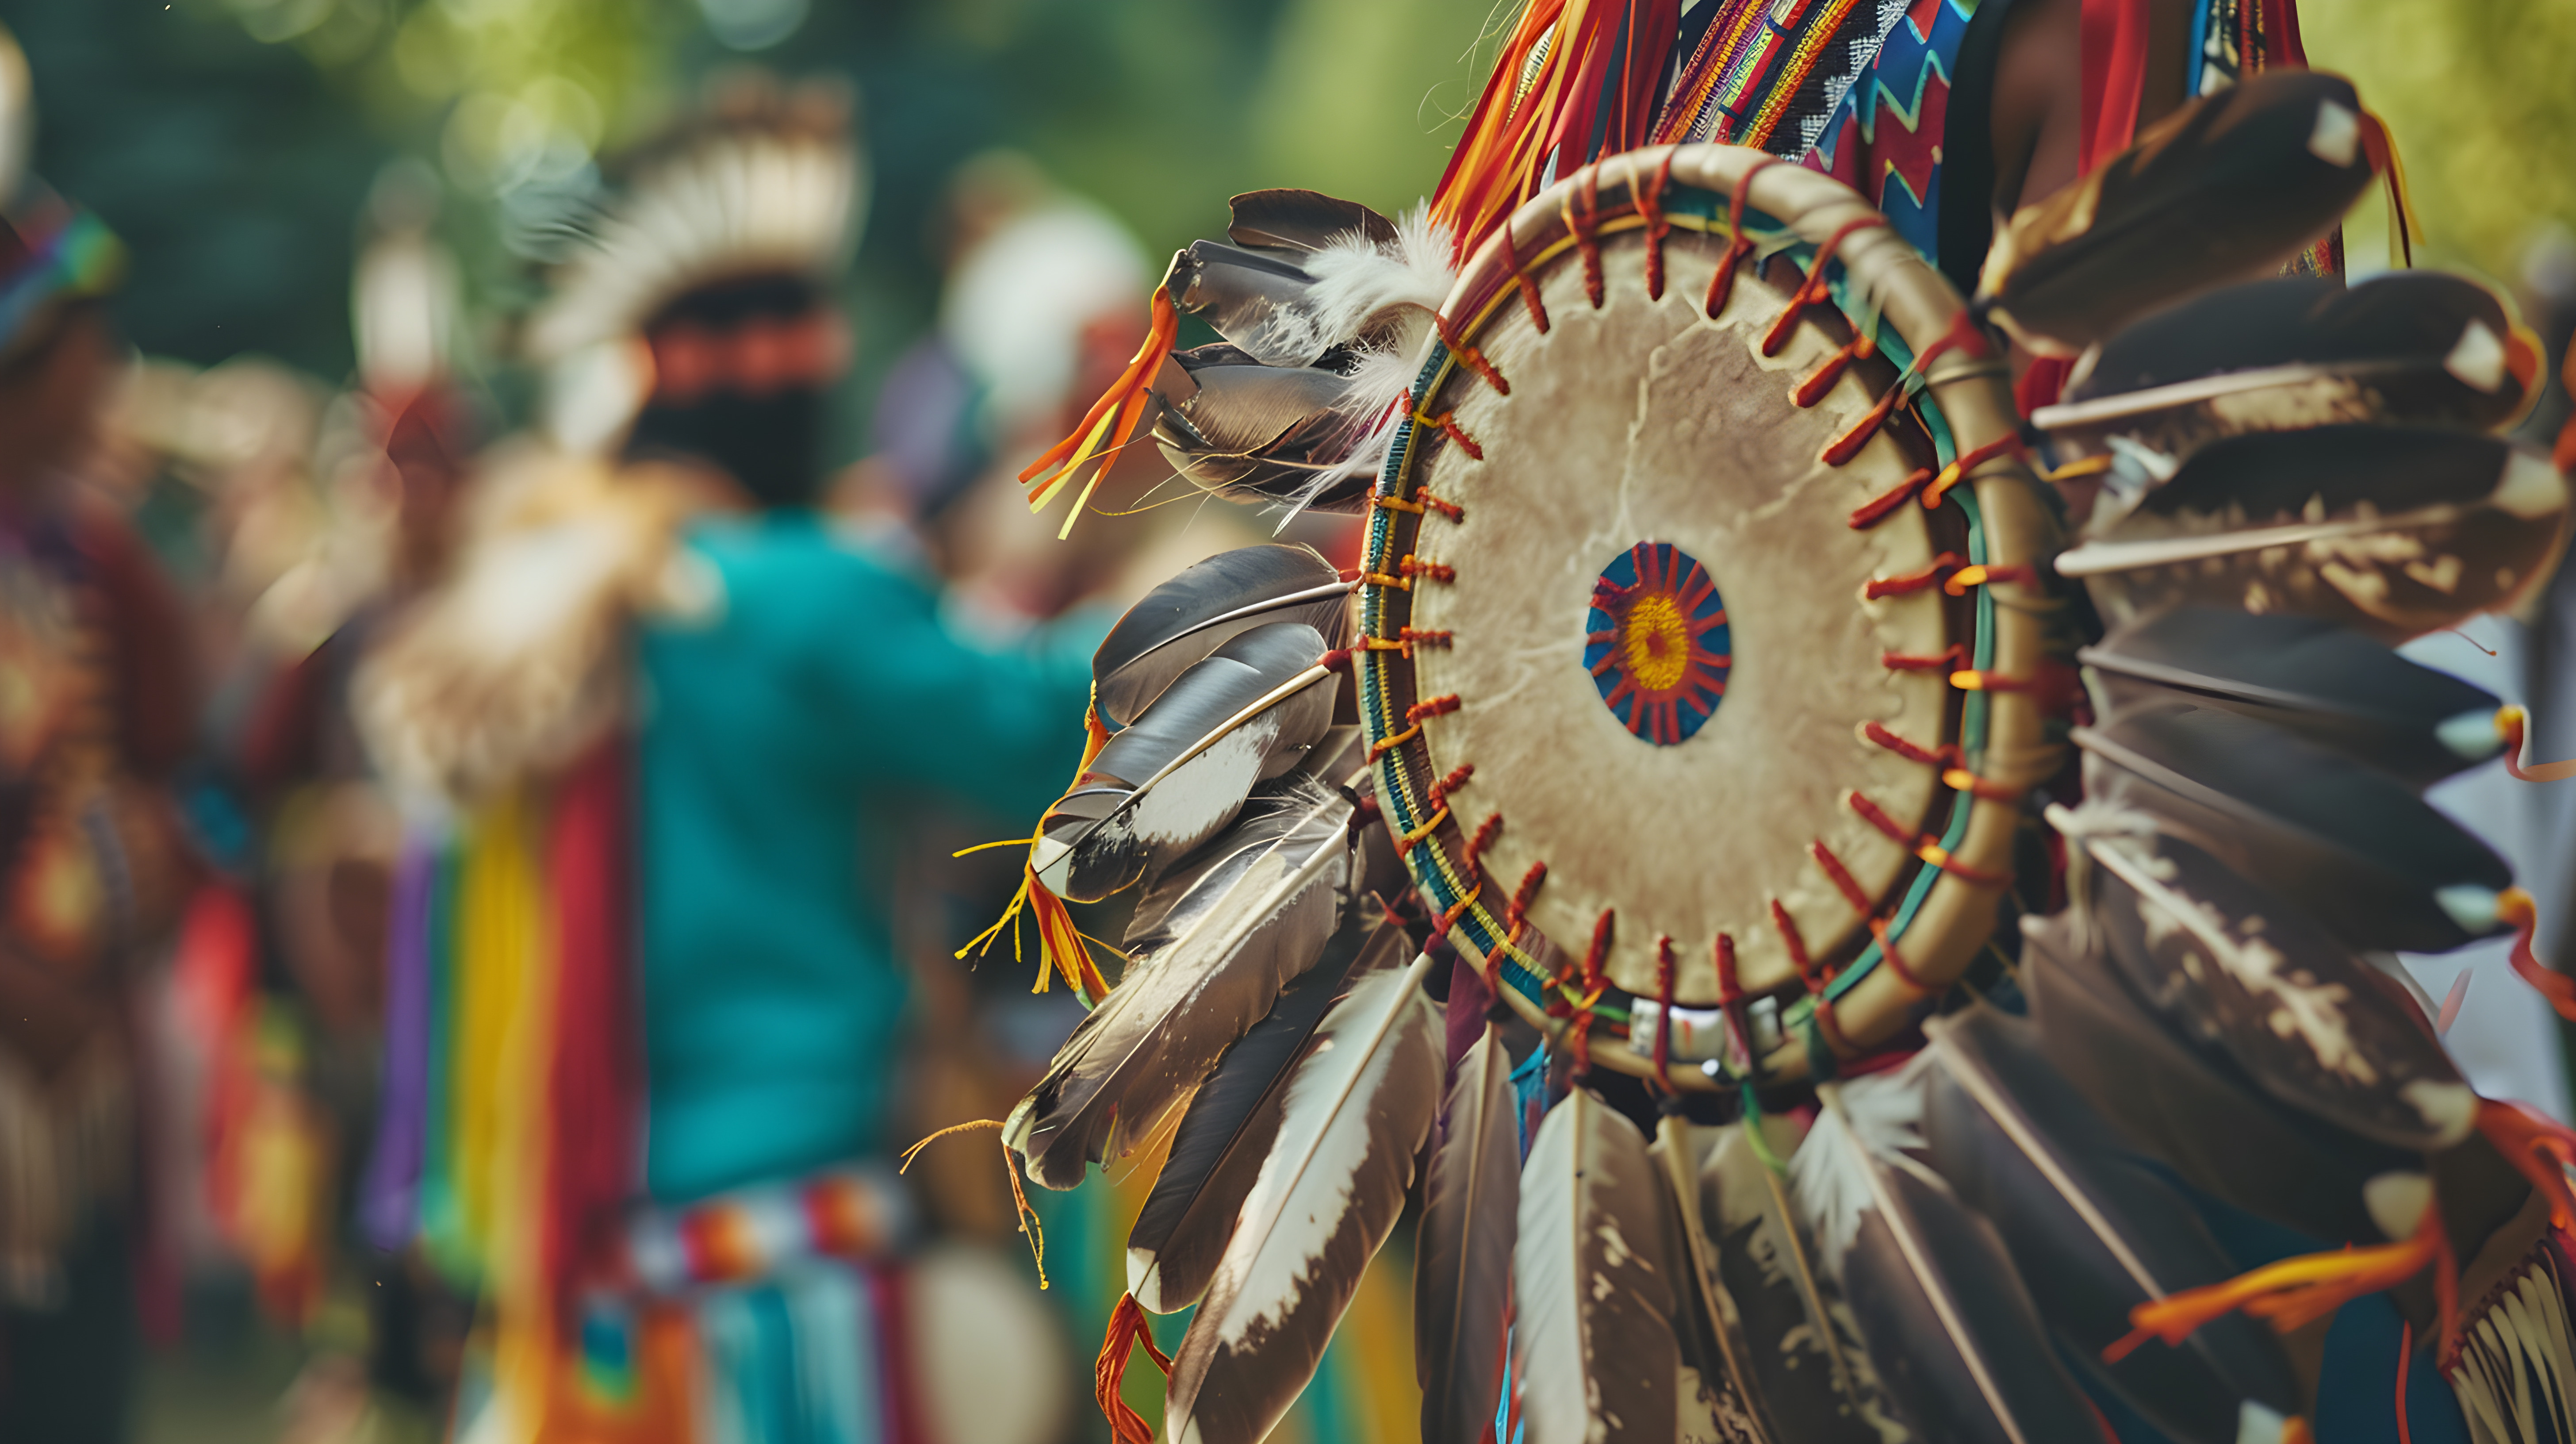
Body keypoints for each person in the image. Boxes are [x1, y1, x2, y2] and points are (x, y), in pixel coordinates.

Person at [353, 75, 1085, 1443]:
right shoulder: (796, 597)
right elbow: (1051, 727)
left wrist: (403, 1225)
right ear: (789, 380)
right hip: (794, 1288)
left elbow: (436, 967)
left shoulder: (517, 618)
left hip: (584, 1302)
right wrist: (1251, 593)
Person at [0, 60, 197, 1441]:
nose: (112, 377)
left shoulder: (100, 561)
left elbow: (210, 782)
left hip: (79, 1095)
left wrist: (171, 864)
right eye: (92, 343)